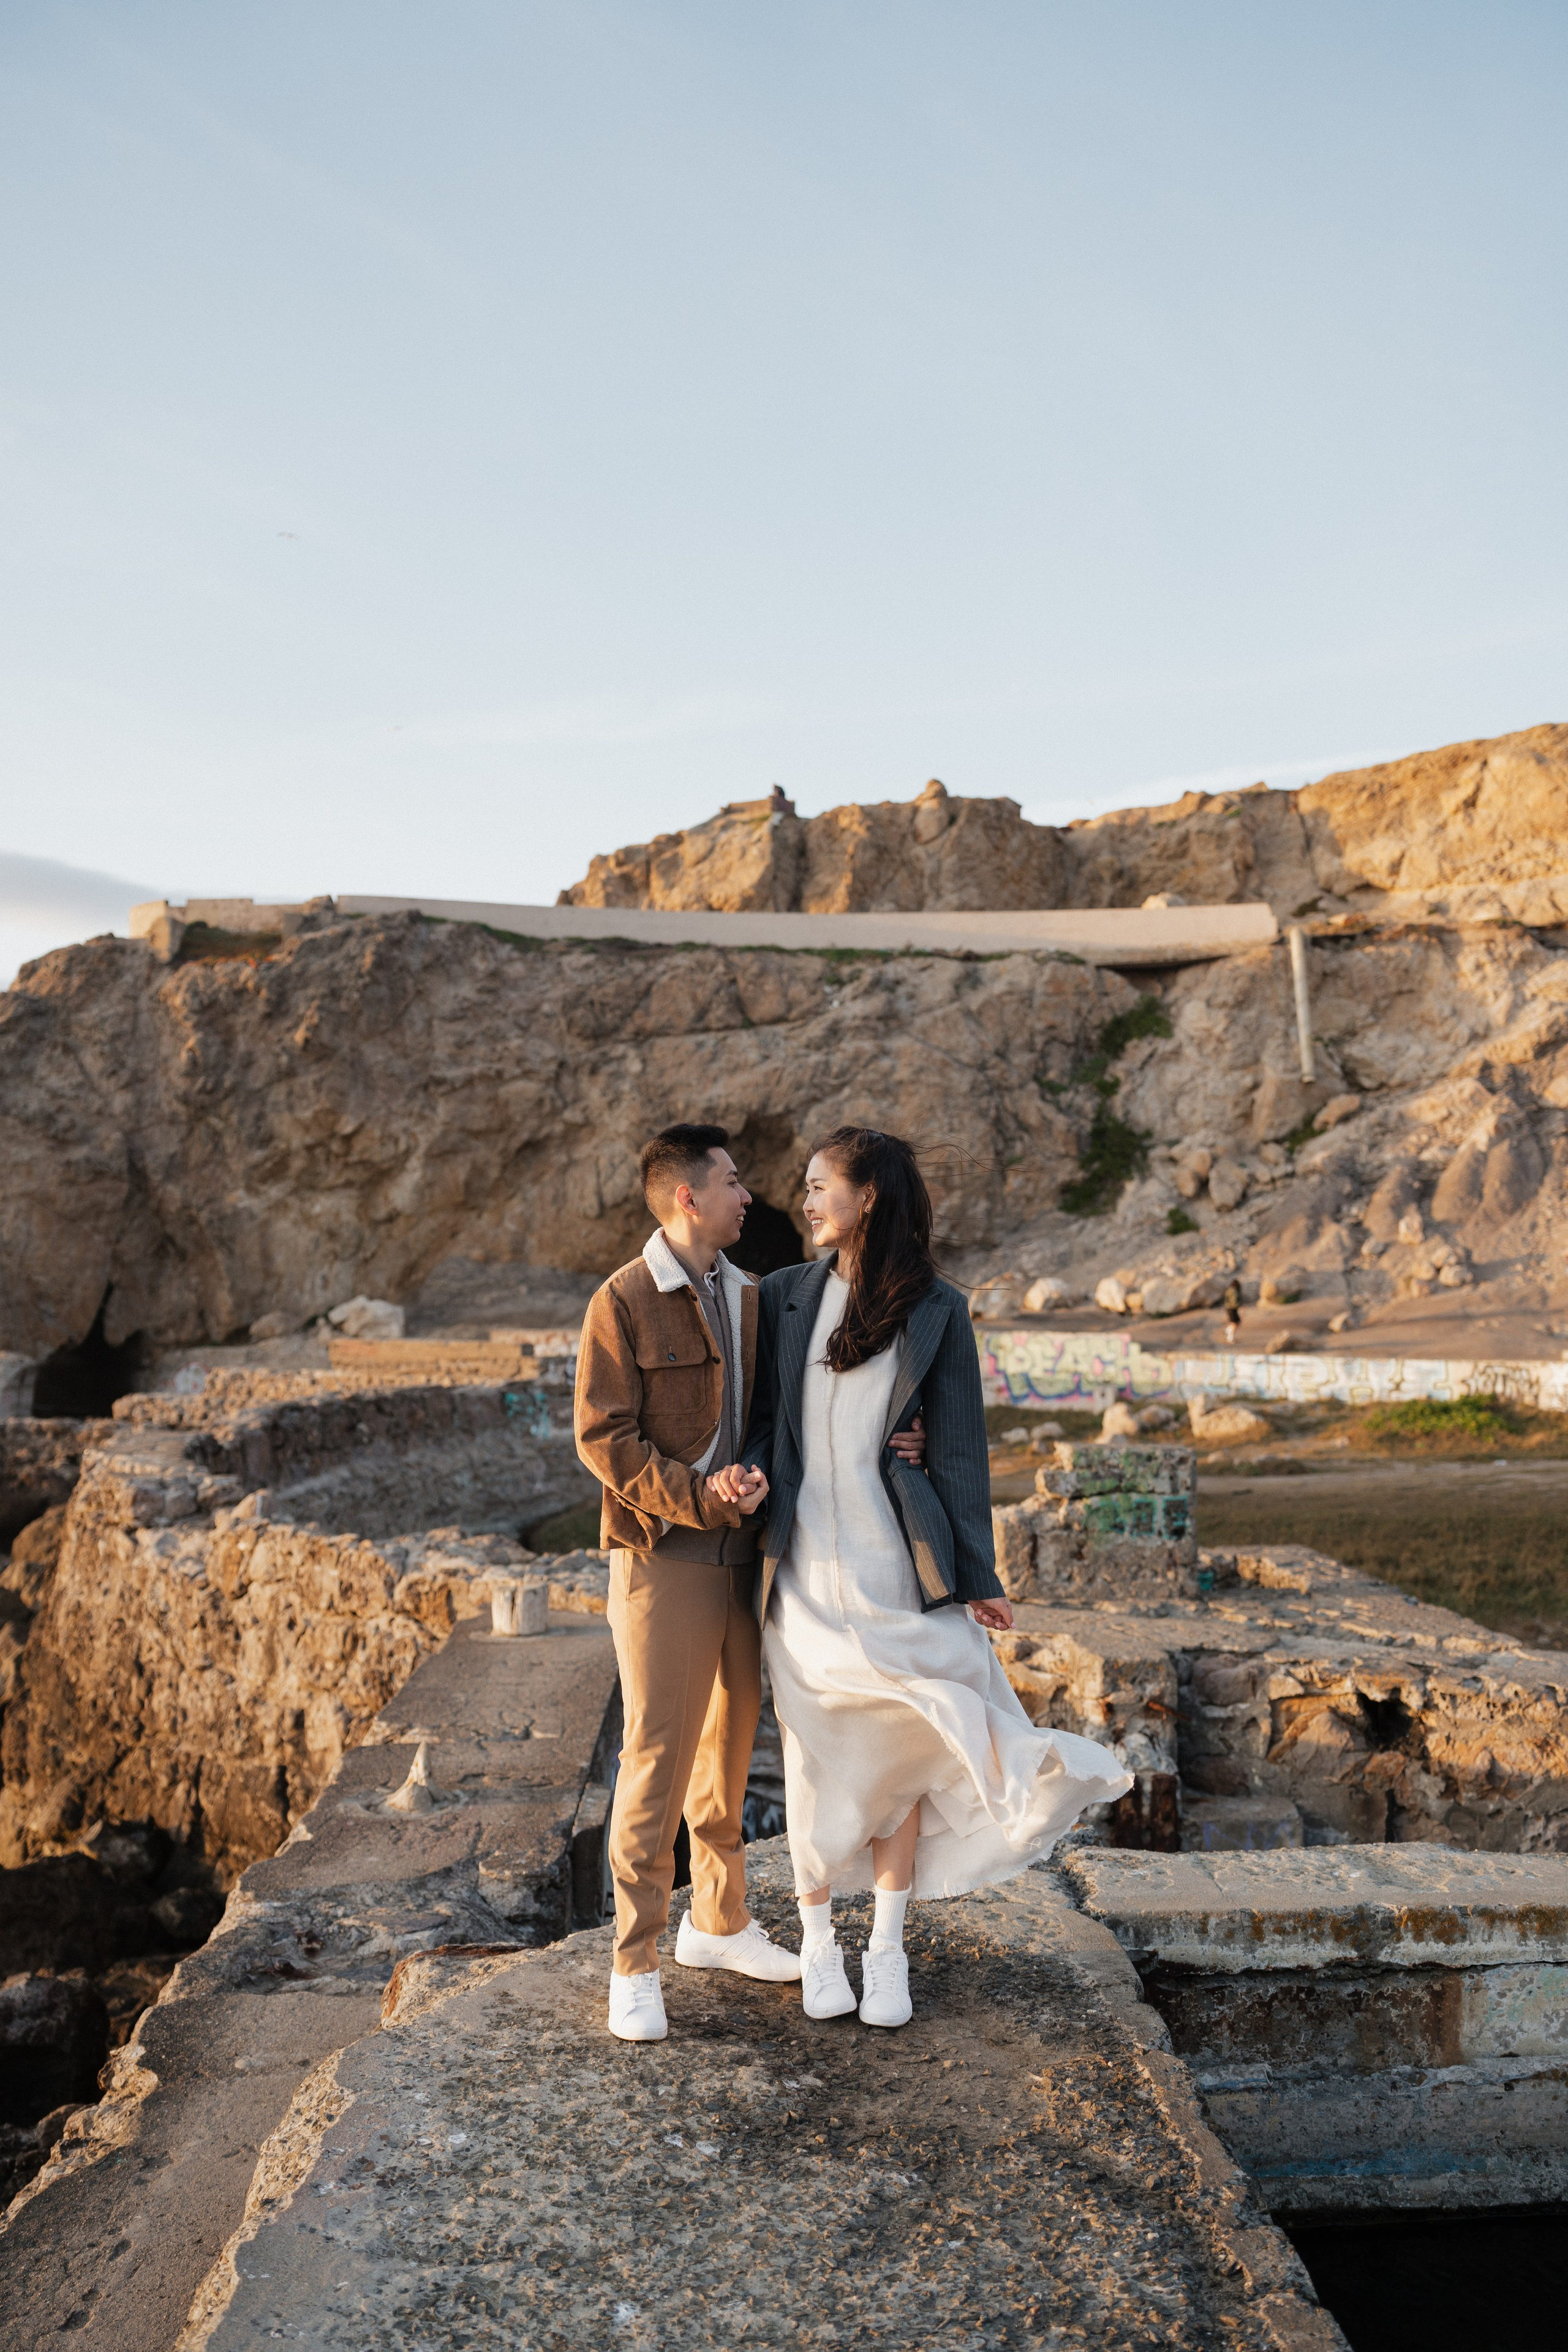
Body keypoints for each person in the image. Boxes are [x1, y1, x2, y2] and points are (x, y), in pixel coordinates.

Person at [742, 1126, 1132, 2030]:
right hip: (800, 1570)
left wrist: (974, 1573)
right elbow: (765, 1424)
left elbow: (959, 1447)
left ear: (867, 1196)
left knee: (910, 1746)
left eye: (819, 1187)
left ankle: (884, 1946)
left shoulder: (938, 1308)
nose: (804, 1202)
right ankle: (813, 1940)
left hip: (893, 1566)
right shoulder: (785, 1296)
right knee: (817, 1754)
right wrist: (750, 1475)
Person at [573, 1122, 926, 2043]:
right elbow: (603, 1441)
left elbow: (796, 1404)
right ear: (688, 1197)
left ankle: (717, 1923)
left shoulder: (761, 1296)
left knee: (728, 1754)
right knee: (656, 1758)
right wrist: (699, 1491)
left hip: (753, 1553)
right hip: (663, 1555)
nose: (750, 1196)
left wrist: (895, 1436)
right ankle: (634, 1960)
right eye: (732, 1182)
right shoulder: (621, 1301)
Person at [1222, 1277, 1243, 1344]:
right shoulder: (1234, 1291)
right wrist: (1239, 1305)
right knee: (1234, 1323)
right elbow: (1234, 1302)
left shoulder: (1229, 1290)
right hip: (1232, 1308)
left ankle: (1227, 1331)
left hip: (1229, 1308)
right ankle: (1230, 1338)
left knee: (1236, 1322)